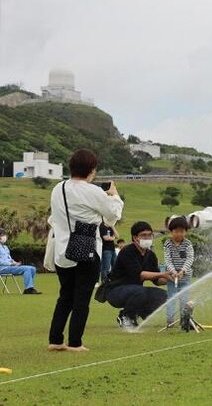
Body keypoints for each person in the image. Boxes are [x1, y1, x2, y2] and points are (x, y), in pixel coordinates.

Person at [48, 149, 124, 352]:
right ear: (92, 170)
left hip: (62, 251)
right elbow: (112, 215)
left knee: (65, 296)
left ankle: (55, 340)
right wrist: (115, 195)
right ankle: (75, 342)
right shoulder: (92, 191)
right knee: (82, 298)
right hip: (86, 250)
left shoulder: (58, 188)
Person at [106, 221, 173, 329]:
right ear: (135, 237)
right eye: (143, 235)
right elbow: (139, 275)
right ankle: (125, 316)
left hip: (136, 291)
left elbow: (157, 280)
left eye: (149, 235)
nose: (147, 238)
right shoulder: (127, 251)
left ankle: (138, 314)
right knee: (140, 291)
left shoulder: (150, 255)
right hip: (116, 292)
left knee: (164, 295)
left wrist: (170, 278)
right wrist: (163, 274)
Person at [164, 216, 194, 327]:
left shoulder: (188, 244)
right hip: (172, 278)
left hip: (185, 278)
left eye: (182, 231)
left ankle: (183, 321)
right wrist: (173, 272)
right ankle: (170, 321)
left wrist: (182, 271)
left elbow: (190, 259)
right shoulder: (167, 244)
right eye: (176, 231)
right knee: (171, 299)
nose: (179, 234)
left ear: (185, 232)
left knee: (184, 300)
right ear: (171, 232)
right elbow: (167, 260)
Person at [0, 228, 42, 294]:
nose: (4, 237)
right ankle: (29, 289)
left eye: (4, 235)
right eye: (2, 235)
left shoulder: (5, 247)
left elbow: (9, 258)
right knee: (27, 269)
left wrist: (15, 262)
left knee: (32, 269)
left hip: (10, 267)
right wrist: (10, 264)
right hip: (3, 268)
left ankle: (29, 288)